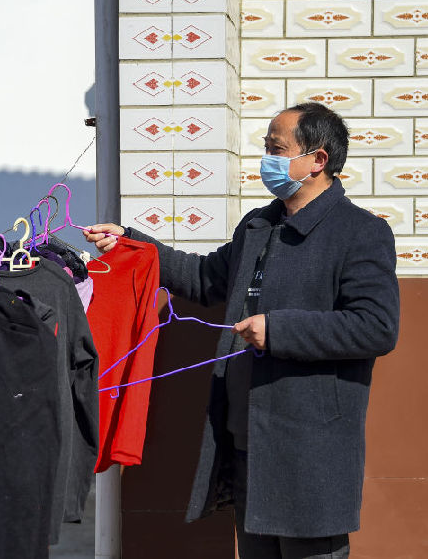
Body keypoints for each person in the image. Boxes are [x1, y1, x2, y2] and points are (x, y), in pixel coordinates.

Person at [83, 102, 400, 559]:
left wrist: (280, 330)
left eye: (277, 149)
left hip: (310, 445)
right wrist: (133, 243)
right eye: (266, 148)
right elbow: (205, 278)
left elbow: (376, 327)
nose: (266, 160)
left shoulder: (360, 232)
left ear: (318, 159)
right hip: (246, 438)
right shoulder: (258, 225)